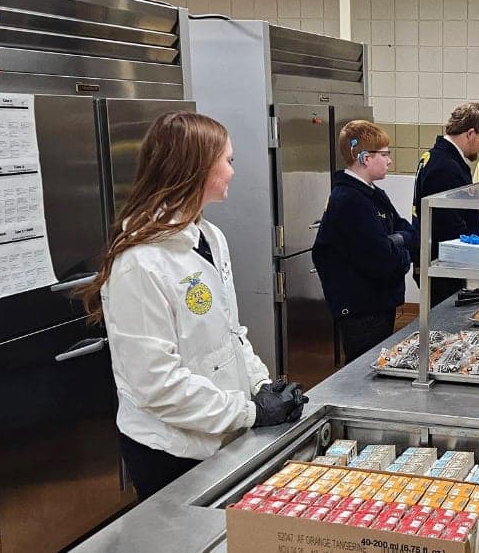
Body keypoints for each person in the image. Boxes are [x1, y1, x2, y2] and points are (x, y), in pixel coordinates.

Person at [77, 111, 307, 501]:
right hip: (171, 450)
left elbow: (231, 334)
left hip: (219, 433)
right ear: (197, 169)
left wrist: (261, 385)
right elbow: (156, 384)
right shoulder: (140, 262)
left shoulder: (210, 238)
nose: (234, 171)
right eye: (228, 161)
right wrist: (250, 413)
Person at [313, 121, 417, 363]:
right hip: (362, 310)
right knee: (365, 369)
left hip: (379, 303)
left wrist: (396, 241)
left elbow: (408, 231)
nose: (389, 160)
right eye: (384, 154)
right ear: (364, 158)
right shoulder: (349, 200)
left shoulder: (372, 193)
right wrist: (401, 252)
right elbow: (380, 259)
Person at [412, 102, 479, 306]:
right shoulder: (444, 166)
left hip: (447, 259)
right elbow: (447, 223)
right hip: (442, 263)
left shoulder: (442, 158)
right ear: (470, 133)